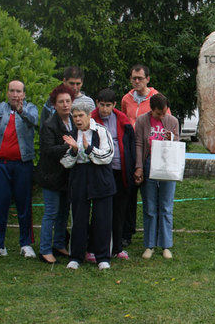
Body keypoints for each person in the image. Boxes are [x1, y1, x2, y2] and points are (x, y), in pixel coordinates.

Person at [0, 81, 38, 259]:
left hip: (23, 164)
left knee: (24, 205)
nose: (15, 94)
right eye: (12, 91)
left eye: (18, 91)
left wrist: (20, 110)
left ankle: (25, 244)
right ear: (7, 93)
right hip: (0, 164)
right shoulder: (0, 108)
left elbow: (35, 120)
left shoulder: (30, 108)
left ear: (24, 94)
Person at [60, 102, 116, 270]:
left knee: (102, 218)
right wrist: (75, 150)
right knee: (79, 218)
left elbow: (107, 155)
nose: (77, 119)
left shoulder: (101, 131)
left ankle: (103, 257)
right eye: (74, 116)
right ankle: (76, 256)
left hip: (100, 176)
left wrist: (89, 149)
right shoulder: (70, 134)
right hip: (80, 177)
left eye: (80, 116)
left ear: (89, 115)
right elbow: (65, 162)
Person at [120, 64, 170, 248]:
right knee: (130, 192)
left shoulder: (156, 98)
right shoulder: (126, 99)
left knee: (154, 196)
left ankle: (158, 234)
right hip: (132, 150)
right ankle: (127, 232)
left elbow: (167, 123)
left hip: (153, 152)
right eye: (133, 78)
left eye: (140, 78)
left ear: (148, 79)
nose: (136, 81)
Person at [91, 88, 136, 261]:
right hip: (100, 172)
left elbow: (130, 145)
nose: (104, 109)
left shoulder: (122, 120)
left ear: (114, 105)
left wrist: (134, 168)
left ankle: (117, 247)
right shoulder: (91, 119)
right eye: (101, 105)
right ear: (97, 103)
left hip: (120, 171)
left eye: (108, 105)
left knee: (119, 211)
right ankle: (95, 247)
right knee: (100, 212)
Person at [134, 93, 179, 260]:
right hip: (148, 165)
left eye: (164, 112)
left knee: (166, 207)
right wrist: (139, 167)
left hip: (167, 167)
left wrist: (171, 140)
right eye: (158, 113)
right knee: (150, 207)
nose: (162, 116)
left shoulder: (173, 121)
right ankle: (150, 245)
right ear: (151, 109)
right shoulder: (141, 121)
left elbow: (177, 144)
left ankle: (166, 245)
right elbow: (138, 144)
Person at [35, 84, 75, 263]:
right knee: (51, 212)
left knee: (63, 212)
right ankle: (45, 249)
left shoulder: (74, 120)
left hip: (67, 176)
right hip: (51, 176)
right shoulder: (49, 124)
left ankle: (59, 244)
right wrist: (69, 146)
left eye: (68, 101)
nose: (65, 105)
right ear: (54, 104)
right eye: (61, 102)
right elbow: (48, 150)